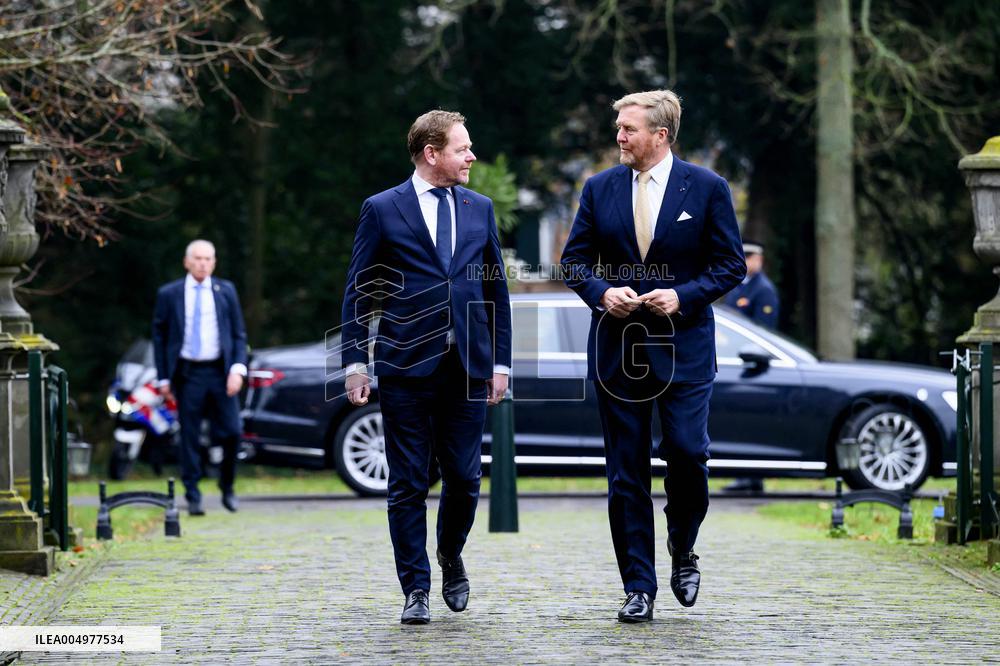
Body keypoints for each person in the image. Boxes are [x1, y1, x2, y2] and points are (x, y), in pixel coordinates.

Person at [560, 90, 745, 622]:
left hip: (683, 347)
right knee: (626, 473)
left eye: (627, 128)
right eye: (617, 126)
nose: (618, 136)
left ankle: (683, 547)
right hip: (619, 350)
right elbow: (574, 261)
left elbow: (730, 265)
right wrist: (601, 293)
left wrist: (684, 295)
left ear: (660, 136)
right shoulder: (599, 189)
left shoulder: (707, 188)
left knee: (687, 453)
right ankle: (637, 586)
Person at [340, 110, 512, 625]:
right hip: (404, 365)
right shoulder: (382, 209)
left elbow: (495, 292)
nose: (471, 156)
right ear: (431, 153)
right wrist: (355, 361)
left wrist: (501, 362)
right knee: (408, 483)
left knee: (463, 478)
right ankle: (415, 589)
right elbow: (358, 292)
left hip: (467, 367)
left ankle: (450, 555)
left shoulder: (480, 209)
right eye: (463, 148)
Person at [152, 239, 248, 516]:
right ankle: (192, 493)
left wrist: (237, 370)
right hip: (188, 373)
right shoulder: (170, 294)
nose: (203, 263)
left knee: (233, 431)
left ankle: (227, 486)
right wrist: (163, 379)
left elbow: (239, 334)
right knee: (189, 435)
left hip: (221, 371)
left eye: (208, 259)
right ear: (187, 261)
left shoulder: (225, 290)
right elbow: (159, 338)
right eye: (198, 258)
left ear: (214, 262)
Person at [722, 240, 780, 492]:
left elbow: (764, 331)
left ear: (760, 260)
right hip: (737, 361)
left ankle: (753, 477)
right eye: (743, 255)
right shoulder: (739, 286)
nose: (746, 261)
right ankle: (747, 476)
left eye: (751, 256)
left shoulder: (763, 290)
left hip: (756, 364)